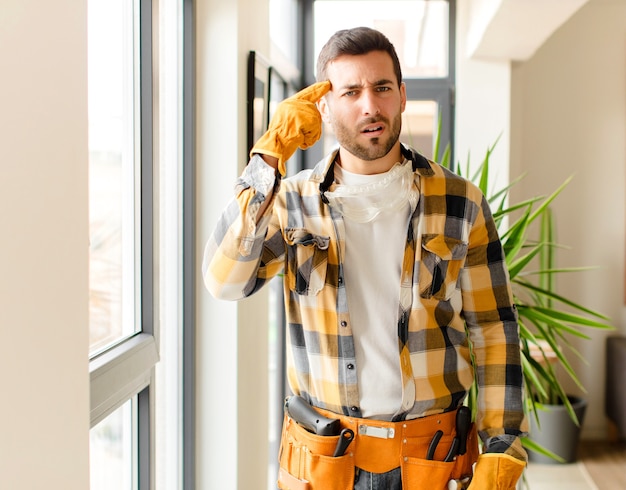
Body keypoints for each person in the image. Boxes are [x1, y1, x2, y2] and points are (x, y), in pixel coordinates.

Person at [203, 26, 528, 490]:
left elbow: (495, 328)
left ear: (401, 95)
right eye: (350, 91)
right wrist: (268, 160)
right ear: (325, 106)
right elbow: (223, 281)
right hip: (324, 461)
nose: (369, 106)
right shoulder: (291, 202)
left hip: (434, 459)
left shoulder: (461, 202)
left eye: (381, 88)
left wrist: (501, 446)